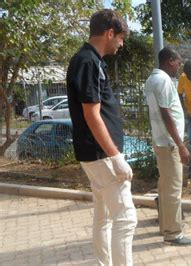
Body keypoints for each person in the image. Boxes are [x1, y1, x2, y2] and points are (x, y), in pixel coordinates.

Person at [66, 9, 136, 265]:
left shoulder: (89, 60)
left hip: (95, 153)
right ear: (110, 33)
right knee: (126, 219)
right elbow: (92, 115)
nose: (121, 43)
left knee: (104, 216)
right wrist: (116, 156)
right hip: (101, 154)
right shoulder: (88, 62)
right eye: (120, 38)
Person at [144, 47, 191, 246]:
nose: (179, 67)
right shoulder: (163, 80)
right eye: (178, 63)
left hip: (161, 141)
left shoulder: (151, 79)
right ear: (170, 60)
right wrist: (181, 145)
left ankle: (166, 225)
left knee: (164, 186)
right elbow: (166, 114)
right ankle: (173, 233)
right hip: (170, 143)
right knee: (173, 189)